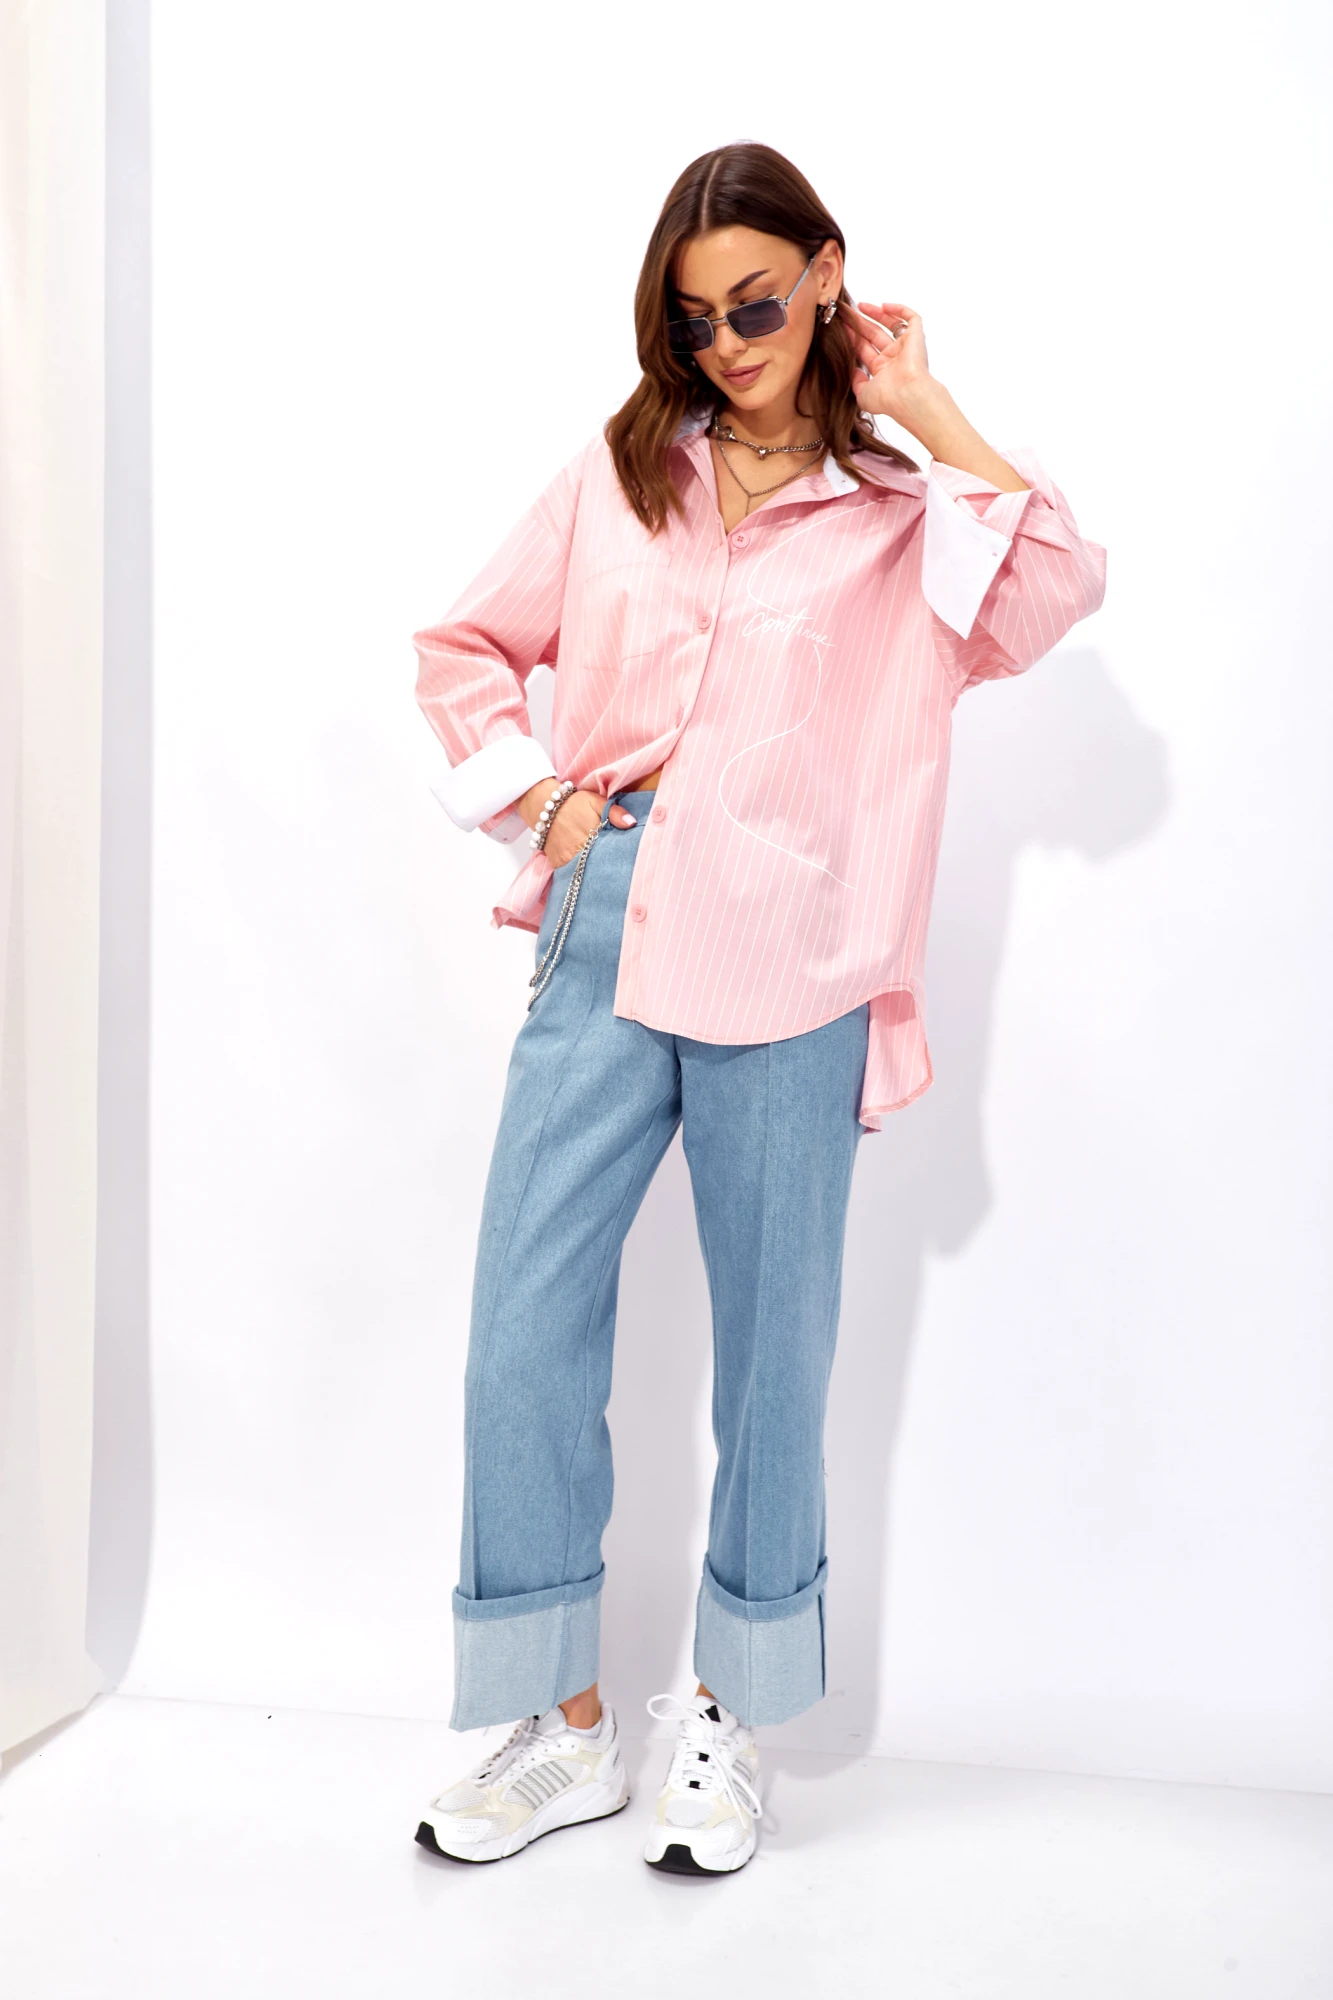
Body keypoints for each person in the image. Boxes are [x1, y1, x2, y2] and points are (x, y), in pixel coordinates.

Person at [409, 141, 1106, 1875]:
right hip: (609, 923)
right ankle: (564, 1723)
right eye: (696, 318)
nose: (728, 343)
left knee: (774, 1354)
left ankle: (724, 1718)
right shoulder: (620, 475)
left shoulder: (904, 518)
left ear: (826, 276)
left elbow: (1058, 587)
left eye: (759, 304)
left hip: (794, 959)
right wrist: (535, 803)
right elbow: (463, 648)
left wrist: (926, 405)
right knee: (521, 1327)